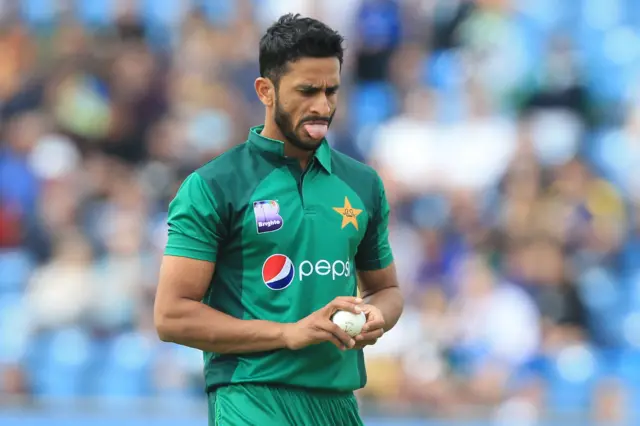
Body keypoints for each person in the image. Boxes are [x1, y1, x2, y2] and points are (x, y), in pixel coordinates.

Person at [154, 13, 404, 426]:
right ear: (265, 91)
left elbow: (388, 290)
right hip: (251, 398)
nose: (322, 107)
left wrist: (378, 315)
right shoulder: (214, 186)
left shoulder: (362, 184)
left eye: (331, 91)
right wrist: (287, 333)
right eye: (307, 91)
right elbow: (171, 316)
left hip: (338, 403)